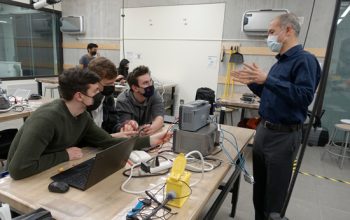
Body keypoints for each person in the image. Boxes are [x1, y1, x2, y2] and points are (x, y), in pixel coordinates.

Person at [6, 68, 171, 180]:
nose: (98, 94)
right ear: (79, 96)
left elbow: (108, 141)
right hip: (26, 180)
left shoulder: (82, 116)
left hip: (51, 172)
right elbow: (19, 169)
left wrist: (152, 140)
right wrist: (65, 155)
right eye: (94, 91)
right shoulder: (46, 119)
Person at [232, 13, 320, 220]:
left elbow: (304, 96)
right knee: (259, 193)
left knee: (273, 200)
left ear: (288, 30)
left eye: (271, 31)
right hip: (264, 131)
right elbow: (271, 94)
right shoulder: (279, 63)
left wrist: (268, 80)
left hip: (283, 137)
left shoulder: (305, 60)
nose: (268, 37)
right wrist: (253, 82)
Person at [87, 57, 138, 137]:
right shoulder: (82, 102)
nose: (112, 87)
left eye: (113, 82)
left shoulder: (107, 96)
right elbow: (87, 137)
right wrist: (113, 137)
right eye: (108, 84)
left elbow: (112, 125)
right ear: (93, 82)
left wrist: (122, 128)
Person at [115, 65, 164, 136]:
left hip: (148, 134)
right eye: (145, 83)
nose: (150, 85)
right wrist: (137, 129)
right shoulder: (123, 100)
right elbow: (127, 130)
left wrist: (151, 129)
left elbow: (159, 118)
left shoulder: (154, 94)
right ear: (135, 88)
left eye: (150, 81)